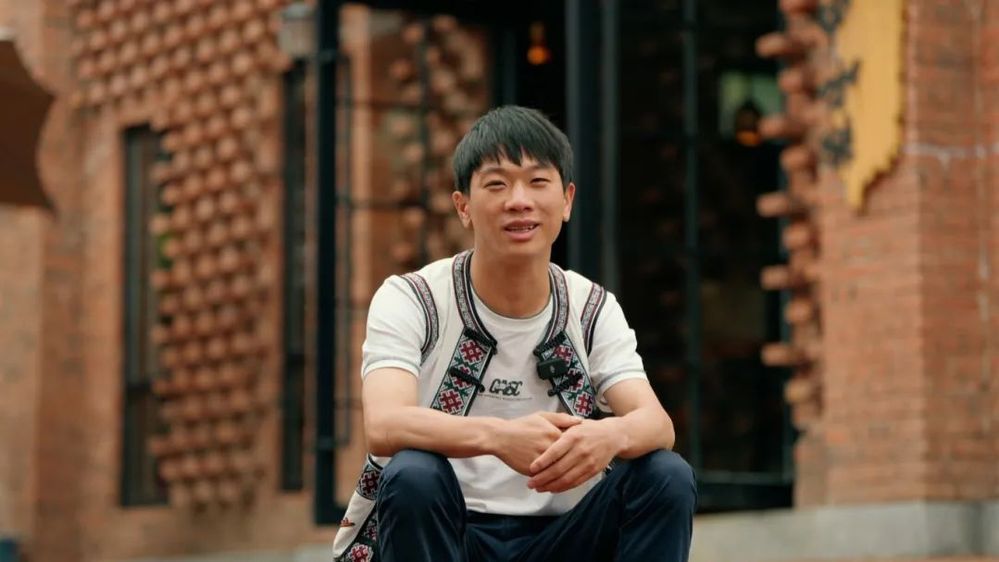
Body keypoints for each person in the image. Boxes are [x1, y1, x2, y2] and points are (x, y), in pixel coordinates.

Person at [335, 105, 696, 562]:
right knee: (414, 475)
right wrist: (500, 438)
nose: (519, 201)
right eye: (497, 184)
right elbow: (385, 424)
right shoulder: (414, 298)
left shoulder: (591, 307)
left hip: (566, 537)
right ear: (463, 206)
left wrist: (609, 437)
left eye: (538, 181)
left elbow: (657, 425)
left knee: (666, 475)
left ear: (567, 200)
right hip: (451, 535)